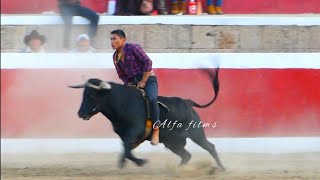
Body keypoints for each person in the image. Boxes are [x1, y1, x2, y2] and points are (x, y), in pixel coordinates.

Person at [110, 29, 160, 145]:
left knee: (152, 99)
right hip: (132, 83)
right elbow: (121, 74)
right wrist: (129, 84)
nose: (112, 42)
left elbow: (148, 62)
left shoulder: (133, 47)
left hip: (148, 79)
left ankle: (156, 129)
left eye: (114, 39)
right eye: (111, 39)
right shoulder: (114, 56)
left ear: (123, 40)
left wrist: (143, 81)